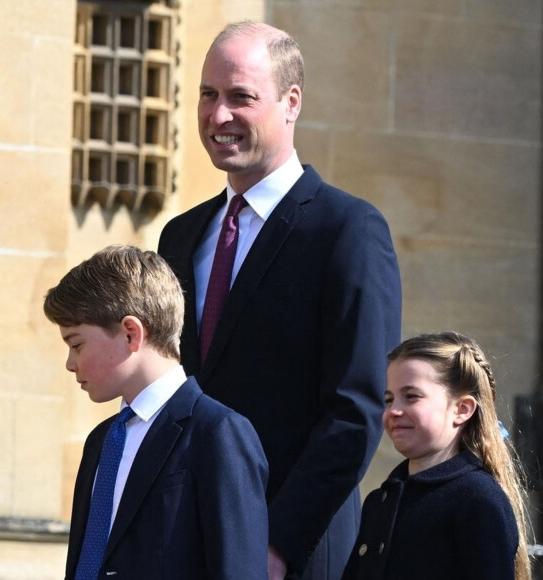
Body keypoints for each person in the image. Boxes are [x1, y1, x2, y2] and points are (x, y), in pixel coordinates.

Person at [158, 20, 402, 580]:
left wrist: (274, 545)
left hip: (291, 552)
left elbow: (355, 409)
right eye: (208, 95)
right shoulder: (181, 236)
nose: (219, 116)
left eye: (241, 97)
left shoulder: (348, 230)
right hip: (184, 543)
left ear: (291, 102)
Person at [43, 244, 269, 580]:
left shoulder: (217, 433)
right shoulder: (100, 442)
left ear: (131, 333)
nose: (70, 363)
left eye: (77, 344)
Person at [343, 331, 531, 580]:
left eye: (412, 396)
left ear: (461, 409)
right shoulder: (380, 501)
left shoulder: (477, 499)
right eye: (389, 400)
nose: (394, 410)